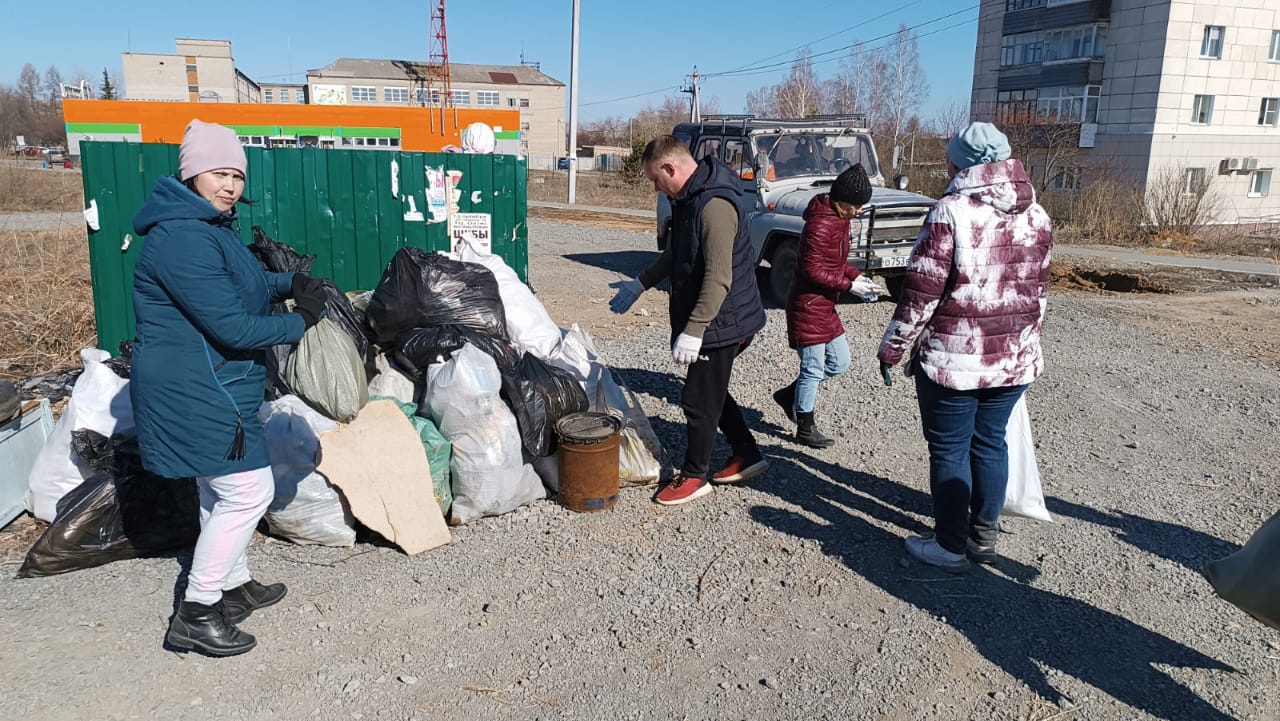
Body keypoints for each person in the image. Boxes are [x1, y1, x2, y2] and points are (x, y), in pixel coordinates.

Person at [131, 119, 330, 655]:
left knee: (217, 487)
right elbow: (234, 327)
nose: (229, 186)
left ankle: (233, 583)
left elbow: (242, 282)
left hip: (216, 380)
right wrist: (302, 319)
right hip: (196, 385)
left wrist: (290, 283)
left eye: (236, 176)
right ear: (192, 173)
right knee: (249, 490)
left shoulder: (209, 228)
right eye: (218, 173)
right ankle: (196, 610)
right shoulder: (180, 239)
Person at [876, 121, 1053, 573]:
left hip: (955, 361)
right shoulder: (1037, 214)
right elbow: (1040, 295)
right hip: (1014, 361)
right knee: (990, 442)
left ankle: (950, 546)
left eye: (950, 158)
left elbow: (921, 294)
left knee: (950, 449)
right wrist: (1022, 345)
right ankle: (982, 537)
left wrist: (893, 348)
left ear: (961, 163)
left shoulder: (951, 210)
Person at [608, 135, 768, 506]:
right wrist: (640, 283)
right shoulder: (689, 198)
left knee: (696, 399)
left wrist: (694, 331)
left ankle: (695, 476)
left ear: (670, 168)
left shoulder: (713, 205)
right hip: (713, 316)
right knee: (710, 390)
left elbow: (718, 278)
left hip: (723, 320)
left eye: (654, 180)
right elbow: (679, 253)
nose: (655, 187)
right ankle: (747, 453)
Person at [773, 163, 881, 448]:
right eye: (856, 206)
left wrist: (858, 276)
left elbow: (837, 263)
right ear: (841, 201)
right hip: (807, 305)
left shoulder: (840, 220)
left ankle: (789, 396)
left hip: (824, 306)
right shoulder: (820, 226)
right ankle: (805, 427)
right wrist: (849, 286)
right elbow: (812, 271)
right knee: (812, 369)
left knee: (840, 362)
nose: (859, 211)